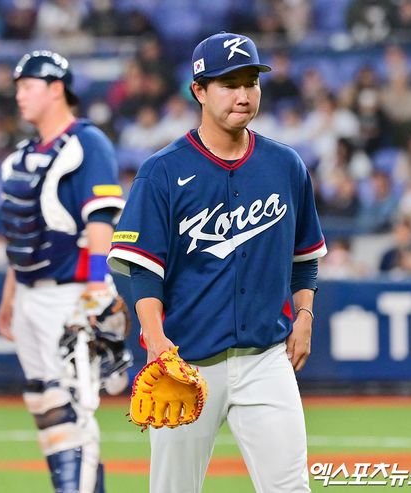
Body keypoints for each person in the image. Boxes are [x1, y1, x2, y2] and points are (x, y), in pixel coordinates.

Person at [108, 32, 327, 493]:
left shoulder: (286, 166)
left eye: (251, 82)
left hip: (266, 359)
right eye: (229, 84)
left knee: (291, 488)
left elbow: (304, 258)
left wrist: (305, 314)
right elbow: (139, 270)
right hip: (186, 362)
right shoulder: (162, 171)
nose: (243, 95)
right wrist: (155, 340)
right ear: (199, 91)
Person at [0, 50, 125, 493]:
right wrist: (10, 294)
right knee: (45, 404)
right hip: (29, 292)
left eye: (27, 86)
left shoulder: (87, 142)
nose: (19, 95)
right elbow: (21, 234)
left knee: (75, 410)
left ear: (56, 89)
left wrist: (96, 290)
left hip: (69, 293)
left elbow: (100, 221)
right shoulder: (23, 154)